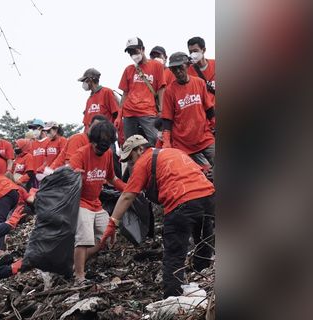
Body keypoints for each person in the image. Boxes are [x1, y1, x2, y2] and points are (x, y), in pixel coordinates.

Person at [103, 136, 215, 297]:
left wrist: (112, 223)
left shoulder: (143, 161)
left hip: (181, 204)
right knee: (203, 244)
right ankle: (202, 282)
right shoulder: (174, 152)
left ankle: (173, 298)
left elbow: (128, 195)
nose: (131, 163)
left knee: (174, 255)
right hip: (207, 199)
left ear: (140, 149)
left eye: (131, 158)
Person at [68, 122, 126, 283]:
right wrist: (75, 175)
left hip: (96, 203)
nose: (101, 151)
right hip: (80, 203)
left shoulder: (107, 154)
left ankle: (71, 263)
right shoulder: (80, 155)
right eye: (98, 148)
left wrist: (127, 188)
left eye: (105, 148)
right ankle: (79, 275)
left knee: (105, 238)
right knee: (84, 238)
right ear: (92, 142)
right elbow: (67, 178)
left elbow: (111, 178)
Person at [161, 52, 215, 169]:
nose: (178, 72)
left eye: (180, 67)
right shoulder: (169, 91)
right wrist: (166, 141)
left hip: (203, 137)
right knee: (188, 171)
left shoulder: (199, 83)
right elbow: (167, 120)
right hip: (182, 142)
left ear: (187, 65)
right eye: (174, 69)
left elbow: (209, 108)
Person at [117, 37, 166, 145]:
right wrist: (119, 116)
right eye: (130, 53)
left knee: (155, 140)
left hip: (148, 111)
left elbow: (161, 88)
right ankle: (133, 162)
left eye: (135, 51)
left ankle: (155, 161)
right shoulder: (129, 69)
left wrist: (161, 110)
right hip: (129, 112)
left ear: (142, 49)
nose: (133, 55)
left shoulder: (156, 65)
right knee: (129, 145)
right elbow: (125, 93)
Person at [79, 68, 120, 137]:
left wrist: (112, 131)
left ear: (90, 80)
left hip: (105, 135)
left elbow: (116, 113)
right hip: (92, 138)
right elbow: (86, 123)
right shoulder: (89, 99)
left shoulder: (106, 92)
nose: (84, 84)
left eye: (84, 81)